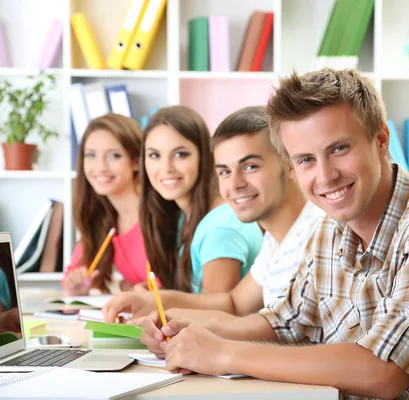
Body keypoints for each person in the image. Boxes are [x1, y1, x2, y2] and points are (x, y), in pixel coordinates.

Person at [144, 69, 409, 399]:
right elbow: (286, 324)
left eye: (339, 148)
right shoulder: (329, 228)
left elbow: (385, 371)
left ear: (380, 140)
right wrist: (191, 331)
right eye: (306, 159)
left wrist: (223, 352)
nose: (324, 176)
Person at [102, 106, 323, 324]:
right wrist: (156, 304)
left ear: (290, 164)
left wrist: (205, 343)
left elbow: (295, 339)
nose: (234, 184)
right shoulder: (276, 241)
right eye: (225, 171)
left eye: (250, 166)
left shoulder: (320, 237)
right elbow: (234, 304)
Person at [135, 106, 262, 294]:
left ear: (204, 157)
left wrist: (158, 302)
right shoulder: (183, 217)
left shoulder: (221, 228)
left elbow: (215, 315)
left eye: (180, 154)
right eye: (155, 155)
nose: (166, 168)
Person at [63, 114, 147, 295]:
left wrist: (136, 290)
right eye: (91, 155)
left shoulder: (157, 214)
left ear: (136, 162)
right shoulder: (102, 218)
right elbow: (73, 274)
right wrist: (76, 287)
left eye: (114, 156)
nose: (100, 167)